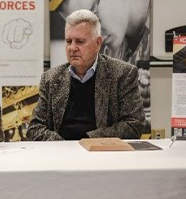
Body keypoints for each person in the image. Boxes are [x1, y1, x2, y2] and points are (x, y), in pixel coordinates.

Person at [27, 9, 146, 141]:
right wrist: (63, 145)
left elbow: (134, 124)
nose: (72, 48)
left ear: (98, 43)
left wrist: (88, 140)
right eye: (68, 41)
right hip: (61, 155)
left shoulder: (123, 74)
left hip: (103, 156)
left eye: (80, 41)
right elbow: (34, 128)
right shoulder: (51, 78)